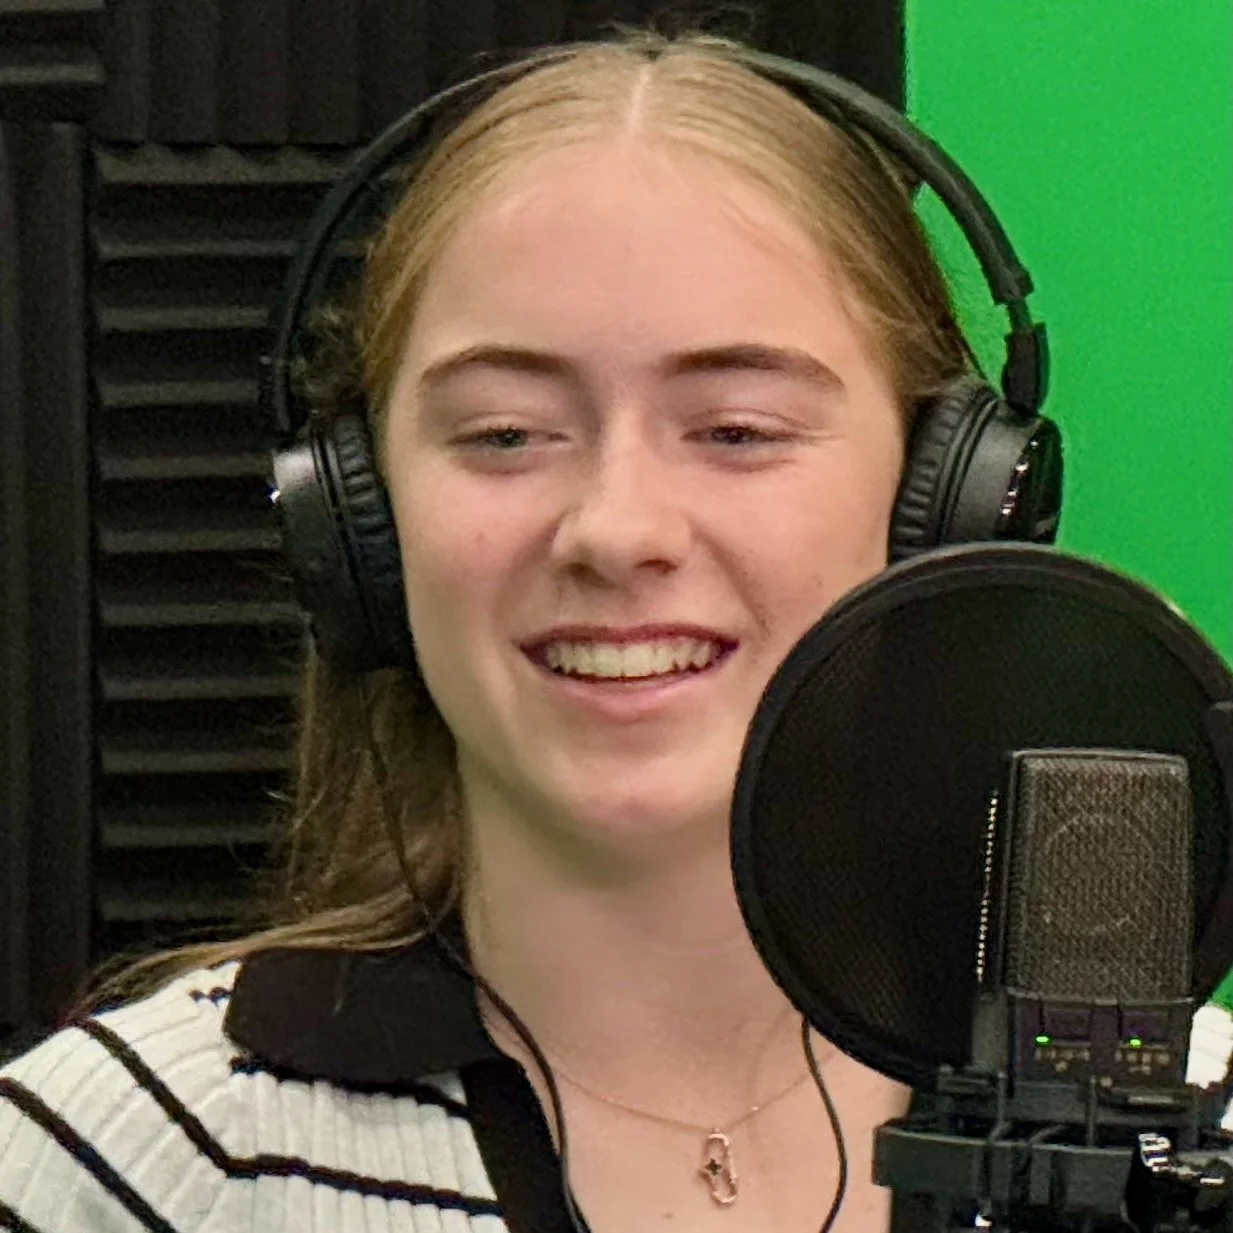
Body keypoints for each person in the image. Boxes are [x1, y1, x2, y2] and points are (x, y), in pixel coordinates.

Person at [0, 26, 981, 1233]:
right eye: (506, 433)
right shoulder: (117, 1169)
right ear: (354, 519)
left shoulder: (1186, 1128)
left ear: (940, 507)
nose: (617, 531)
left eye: (736, 428)